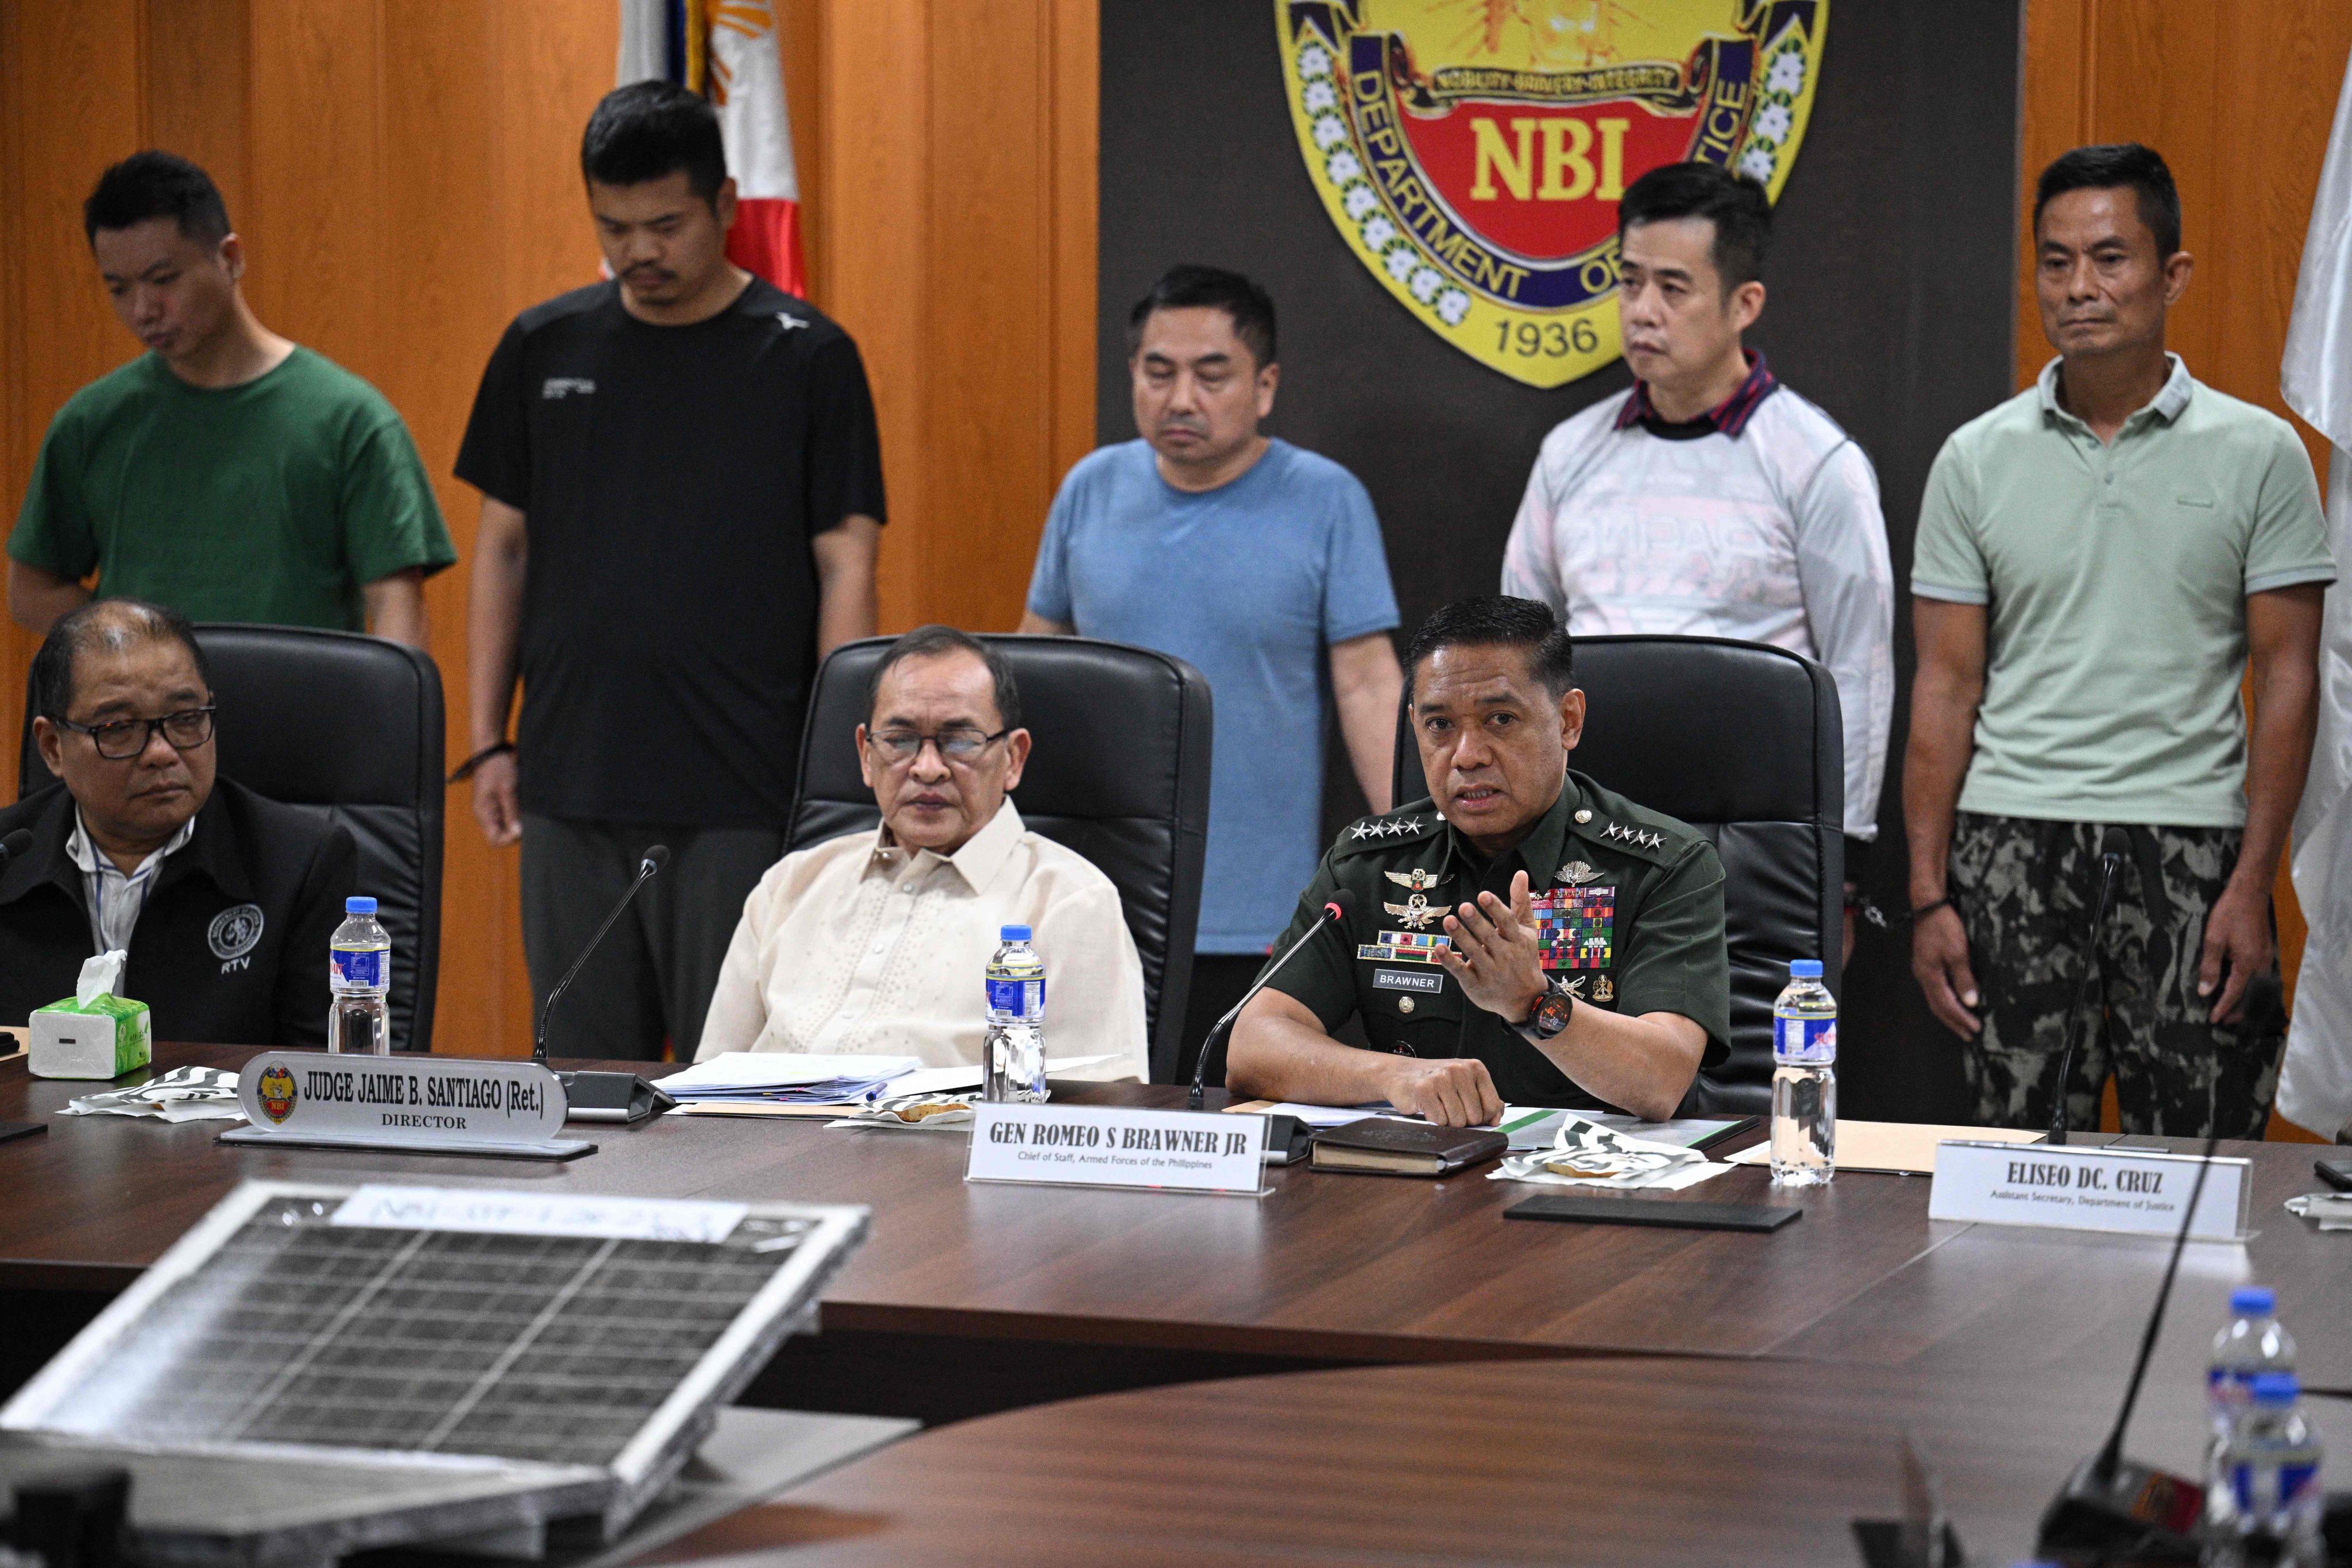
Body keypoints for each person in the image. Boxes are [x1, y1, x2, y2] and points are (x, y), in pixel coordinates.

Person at [1906, 144, 2332, 1139]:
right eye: (2056, 262)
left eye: (2109, 258)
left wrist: (2250, 884)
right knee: (2013, 1171)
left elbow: (2289, 677)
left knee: (2199, 1171)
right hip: (2012, 842)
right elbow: (1943, 687)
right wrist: (1930, 899)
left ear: (2171, 274)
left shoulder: (2261, 454)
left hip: (2193, 850)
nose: (2080, 288)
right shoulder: (1975, 460)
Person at [457, 82, 885, 1061]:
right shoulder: (541, 347)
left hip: (745, 784)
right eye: (613, 227)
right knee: (578, 1080)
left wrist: (837, 774)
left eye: (665, 224)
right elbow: (503, 549)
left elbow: (846, 567)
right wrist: (489, 740)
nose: (638, 252)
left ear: (727, 205)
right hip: (573, 776)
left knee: (733, 1083)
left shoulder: (810, 358)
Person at [1020, 265, 1403, 1081]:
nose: (1179, 397)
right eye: (1157, 372)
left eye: (1210, 373)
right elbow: (1031, 674)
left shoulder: (1324, 499)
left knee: (1240, 1154)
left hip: (1259, 915)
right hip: (1089, 906)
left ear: (1263, 386)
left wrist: (1420, 848)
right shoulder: (1088, 490)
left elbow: (1369, 688)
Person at [1501, 161, 1892, 956]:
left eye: (1672, 288)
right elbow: (1520, 652)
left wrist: (1839, 869)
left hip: (1757, 850)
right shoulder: (1568, 454)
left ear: (1742, 303)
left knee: (1747, 1054)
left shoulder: (1815, 463)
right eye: (1628, 281)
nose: (1642, 311)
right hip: (1588, 842)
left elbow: (1857, 668)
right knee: (1578, 1047)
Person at [1226, 597, 1729, 1126]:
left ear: (1568, 721)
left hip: (1599, 1184)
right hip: (1426, 1182)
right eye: (1439, 725)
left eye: (1500, 719)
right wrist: (1394, 1077)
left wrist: (1534, 1004)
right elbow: (1251, 1045)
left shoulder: (1662, 866)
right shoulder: (1368, 864)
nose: (1467, 754)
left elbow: (1661, 1082)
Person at [7, 152, 454, 646]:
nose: (142, 310)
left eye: (163, 280)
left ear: (231, 258)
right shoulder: (92, 422)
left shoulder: (349, 419)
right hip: (149, 718)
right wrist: (143, 647)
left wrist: (384, 716)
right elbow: (31, 592)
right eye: (118, 288)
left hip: (301, 713)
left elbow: (397, 601)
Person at [698, 626, 1148, 1077]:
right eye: (899, 740)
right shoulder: (790, 885)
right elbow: (706, 1083)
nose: (927, 769)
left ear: (1013, 757)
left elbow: (1092, 1111)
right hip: (767, 1142)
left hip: (948, 1147)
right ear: (864, 754)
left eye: (959, 741)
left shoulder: (1069, 901)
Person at [0, 601, 357, 1046]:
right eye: (118, 727)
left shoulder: (300, 863)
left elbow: (322, 1075)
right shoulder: (5, 860)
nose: (161, 753)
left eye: (186, 720)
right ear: (53, 748)